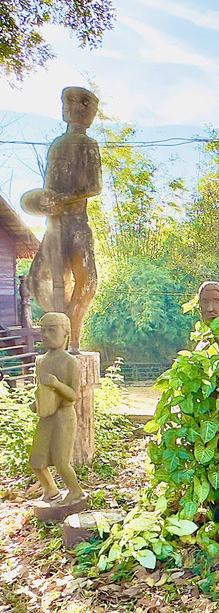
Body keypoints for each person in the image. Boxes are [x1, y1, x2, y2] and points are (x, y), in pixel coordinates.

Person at [22, 87, 101, 352]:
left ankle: (72, 333)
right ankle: (59, 326)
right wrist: (43, 201)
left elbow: (94, 186)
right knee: (35, 279)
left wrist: (61, 198)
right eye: (65, 103)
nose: (67, 109)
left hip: (77, 223)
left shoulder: (88, 145)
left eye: (73, 104)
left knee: (87, 280)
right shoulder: (57, 145)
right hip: (54, 225)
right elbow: (46, 188)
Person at [29, 312, 85, 505]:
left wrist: (56, 384)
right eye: (42, 330)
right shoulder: (41, 361)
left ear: (65, 333)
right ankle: (51, 490)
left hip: (64, 416)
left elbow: (73, 395)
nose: (45, 335)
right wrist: (38, 403)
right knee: (37, 460)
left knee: (62, 462)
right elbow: (42, 389)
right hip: (47, 416)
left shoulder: (70, 362)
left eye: (51, 330)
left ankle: (75, 491)